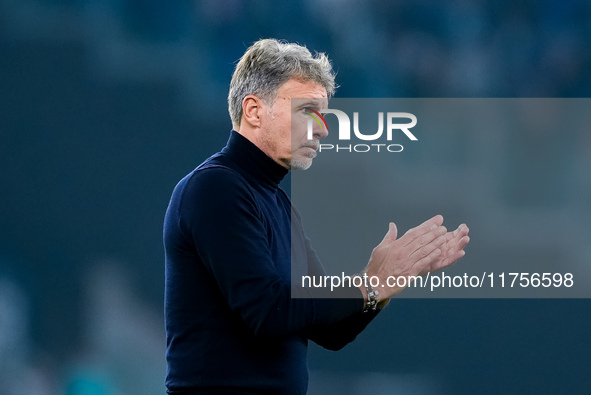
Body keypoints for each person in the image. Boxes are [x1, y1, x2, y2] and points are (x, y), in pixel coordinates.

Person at [163, 38, 470, 395]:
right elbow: (267, 310)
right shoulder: (215, 188)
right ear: (254, 110)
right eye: (307, 109)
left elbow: (332, 331)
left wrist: (390, 281)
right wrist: (371, 283)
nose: (323, 128)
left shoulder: (278, 204)